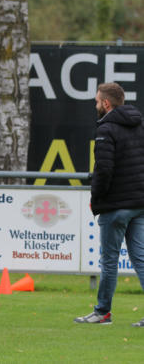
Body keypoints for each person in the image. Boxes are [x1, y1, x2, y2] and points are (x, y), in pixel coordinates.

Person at [75, 82, 144, 326]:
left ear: (106, 103)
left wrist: (96, 199)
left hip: (116, 204)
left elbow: (104, 169)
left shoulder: (107, 128)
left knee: (109, 261)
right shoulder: (138, 124)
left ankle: (103, 312)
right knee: (141, 259)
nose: (95, 105)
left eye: (96, 101)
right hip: (139, 202)